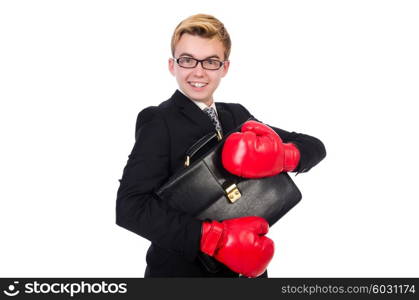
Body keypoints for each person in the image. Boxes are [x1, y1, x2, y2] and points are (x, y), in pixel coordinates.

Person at [116, 13, 326, 278]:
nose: (199, 71)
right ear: (173, 65)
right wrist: (213, 239)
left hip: (247, 269)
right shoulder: (159, 121)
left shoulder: (236, 117)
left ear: (225, 67)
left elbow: (315, 146)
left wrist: (284, 155)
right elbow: (130, 207)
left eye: (211, 61)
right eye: (188, 60)